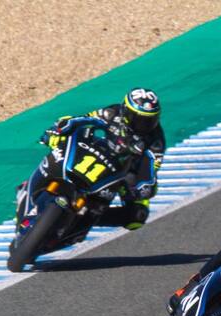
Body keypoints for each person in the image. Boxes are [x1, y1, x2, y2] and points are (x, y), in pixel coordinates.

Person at [18, 87, 165, 233]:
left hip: (125, 170)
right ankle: (31, 187)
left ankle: (86, 220)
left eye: (150, 119)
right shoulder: (112, 112)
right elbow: (86, 119)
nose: (145, 124)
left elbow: (151, 168)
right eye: (140, 119)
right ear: (126, 111)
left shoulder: (156, 140)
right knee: (60, 143)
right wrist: (61, 128)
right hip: (98, 151)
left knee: (138, 217)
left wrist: (144, 186)